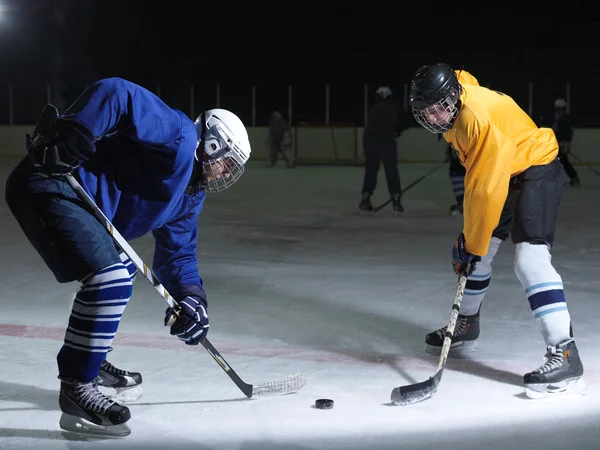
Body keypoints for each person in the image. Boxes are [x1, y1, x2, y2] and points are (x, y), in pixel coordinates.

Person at [4, 77, 252, 436]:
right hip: (50, 182)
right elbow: (118, 93)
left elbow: (178, 254)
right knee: (111, 277)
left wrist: (192, 299)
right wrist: (76, 133)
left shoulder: (191, 196)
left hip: (77, 204)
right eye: (227, 162)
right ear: (212, 144)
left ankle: (89, 355)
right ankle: (76, 388)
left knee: (122, 267)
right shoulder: (180, 135)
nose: (226, 173)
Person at [409, 63, 584, 399]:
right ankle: (467, 324)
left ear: (453, 96)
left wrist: (468, 243)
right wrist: (473, 244)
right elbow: (482, 186)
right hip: (511, 167)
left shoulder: (477, 119)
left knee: (529, 260)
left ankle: (565, 355)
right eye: (427, 113)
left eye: (439, 109)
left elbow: (485, 189)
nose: (434, 118)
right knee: (481, 253)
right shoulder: (456, 103)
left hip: (536, 166)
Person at [358, 86, 409, 213]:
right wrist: (396, 132)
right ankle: (396, 199)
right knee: (391, 170)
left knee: (371, 170)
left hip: (370, 140)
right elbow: (405, 122)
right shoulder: (395, 107)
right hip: (386, 140)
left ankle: (365, 197)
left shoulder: (373, 109)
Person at [552, 98, 580, 187]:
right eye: (558, 109)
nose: (560, 111)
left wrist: (565, 143)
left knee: (562, 161)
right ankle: (573, 177)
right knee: (559, 161)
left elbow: (568, 133)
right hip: (554, 144)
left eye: (562, 109)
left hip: (561, 144)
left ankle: (573, 177)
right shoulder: (555, 119)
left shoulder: (566, 120)